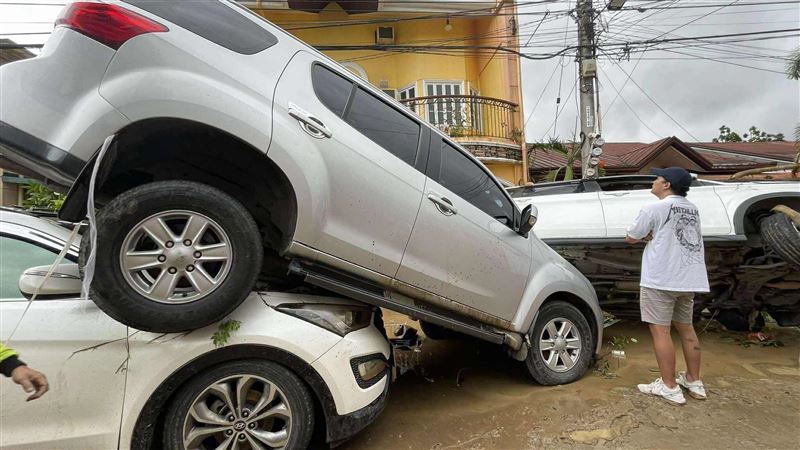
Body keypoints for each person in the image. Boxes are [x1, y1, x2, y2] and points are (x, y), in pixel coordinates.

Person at [625, 167, 709, 405]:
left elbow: (631, 236)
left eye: (657, 179)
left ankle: (670, 386)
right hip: (688, 279)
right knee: (687, 329)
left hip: (660, 279)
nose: (653, 181)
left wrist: (644, 237)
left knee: (660, 331)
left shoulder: (655, 207)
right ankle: (694, 381)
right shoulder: (692, 209)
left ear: (666, 185)